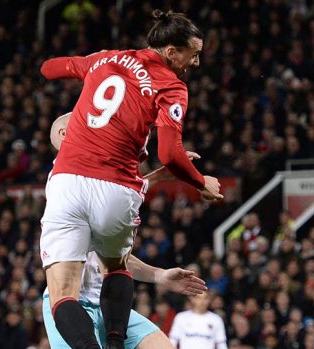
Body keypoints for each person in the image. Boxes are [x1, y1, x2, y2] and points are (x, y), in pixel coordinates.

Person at [39, 9, 223, 349]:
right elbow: (170, 152)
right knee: (116, 265)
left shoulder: (106, 58)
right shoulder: (171, 85)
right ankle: (114, 341)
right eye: (193, 55)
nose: (195, 63)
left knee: (62, 295)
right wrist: (200, 183)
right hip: (117, 187)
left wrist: (75, 66)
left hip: (67, 182)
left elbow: (51, 68)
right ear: (171, 53)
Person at [43, 113, 207, 348]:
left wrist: (160, 275)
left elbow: (114, 258)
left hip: (108, 304)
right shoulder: (63, 182)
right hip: (73, 306)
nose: (94, 130)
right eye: (83, 126)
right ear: (64, 135)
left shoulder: (92, 180)